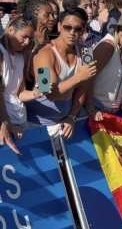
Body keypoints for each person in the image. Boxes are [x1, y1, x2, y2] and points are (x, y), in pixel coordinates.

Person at [26, 8, 97, 139]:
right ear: (59, 26)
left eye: (78, 29)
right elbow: (47, 91)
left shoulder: (87, 52)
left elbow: (84, 89)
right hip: (38, 124)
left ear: (83, 30)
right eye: (67, 27)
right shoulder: (43, 53)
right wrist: (78, 77)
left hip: (67, 120)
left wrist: (71, 116)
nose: (72, 32)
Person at [0, 16, 34, 153]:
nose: (26, 42)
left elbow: (20, 92)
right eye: (24, 37)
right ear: (10, 30)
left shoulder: (21, 56)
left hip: (20, 120)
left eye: (30, 39)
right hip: (1, 123)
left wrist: (38, 93)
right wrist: (6, 123)